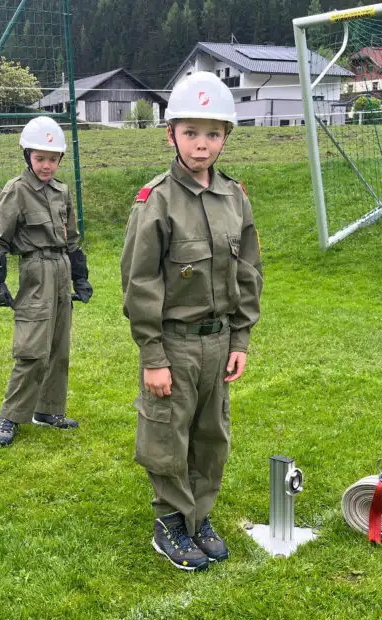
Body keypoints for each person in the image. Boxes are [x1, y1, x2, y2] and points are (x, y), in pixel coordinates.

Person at [120, 72, 263, 572]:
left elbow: (248, 271)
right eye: (190, 133)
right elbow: (140, 282)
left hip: (218, 342)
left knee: (211, 435)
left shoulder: (235, 197)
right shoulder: (156, 200)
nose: (202, 144)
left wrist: (240, 338)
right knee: (167, 435)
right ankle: (170, 522)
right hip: (175, 345)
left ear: (226, 137)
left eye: (213, 134)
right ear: (171, 135)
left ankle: (199, 516)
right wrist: (153, 356)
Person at [0, 116, 92, 447]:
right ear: (27, 156)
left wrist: (80, 276)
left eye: (53, 159)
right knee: (32, 349)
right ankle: (9, 416)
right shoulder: (17, 190)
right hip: (35, 269)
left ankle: (48, 410)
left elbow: (71, 238)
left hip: (61, 269)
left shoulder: (62, 191)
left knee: (58, 346)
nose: (46, 165)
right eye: (40, 158)